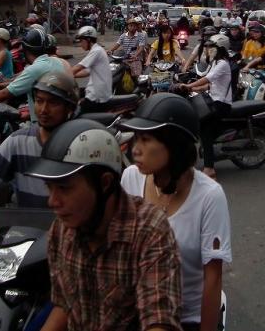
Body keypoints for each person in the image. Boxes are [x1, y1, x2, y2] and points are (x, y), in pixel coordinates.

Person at [26, 118, 182, 331]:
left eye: (64, 188)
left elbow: (159, 319)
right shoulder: (61, 231)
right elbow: (64, 305)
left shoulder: (149, 231)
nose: (52, 201)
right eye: (49, 188)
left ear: (105, 183)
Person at [120, 93, 232, 331]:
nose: (136, 150)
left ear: (175, 146)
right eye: (136, 139)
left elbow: (212, 279)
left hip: (187, 318)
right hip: (138, 311)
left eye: (146, 140)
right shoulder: (130, 178)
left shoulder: (209, 196)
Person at [0, 70, 79, 237]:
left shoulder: (80, 144)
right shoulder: (18, 141)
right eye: (39, 101)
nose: (44, 109)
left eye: (53, 103)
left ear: (69, 108)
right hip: (29, 237)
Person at [0, 29, 65, 123]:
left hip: (43, 123)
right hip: (59, 118)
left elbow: (4, 94)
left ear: (25, 49)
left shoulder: (35, 68)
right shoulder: (56, 61)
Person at [180, 34, 232, 180]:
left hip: (221, 104)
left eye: (211, 47)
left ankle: (209, 168)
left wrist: (189, 85)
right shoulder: (215, 63)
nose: (208, 49)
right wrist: (192, 89)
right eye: (207, 47)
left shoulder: (222, 63)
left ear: (220, 48)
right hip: (212, 99)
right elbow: (210, 85)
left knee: (205, 130)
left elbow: (208, 79)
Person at [72, 26, 113, 113]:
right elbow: (86, 72)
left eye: (81, 41)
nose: (80, 44)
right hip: (98, 93)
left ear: (89, 40)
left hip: (97, 96)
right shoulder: (97, 49)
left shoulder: (96, 51)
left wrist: (65, 74)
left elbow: (78, 67)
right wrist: (72, 75)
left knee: (75, 114)